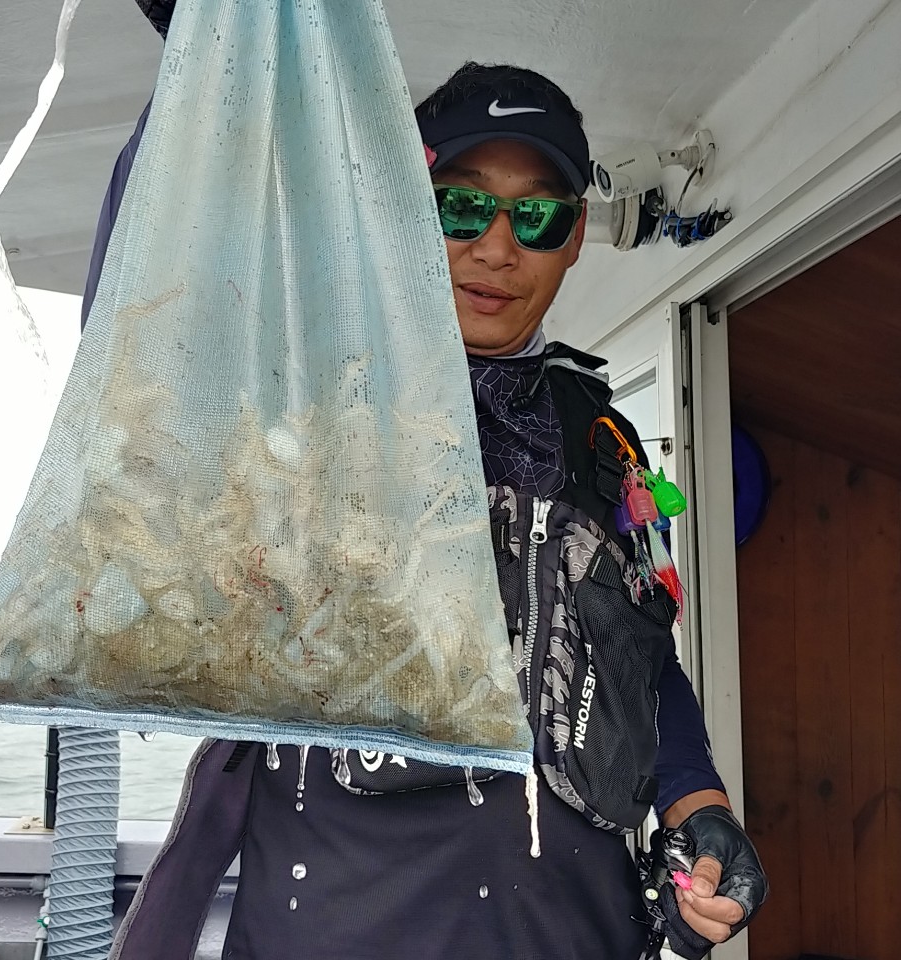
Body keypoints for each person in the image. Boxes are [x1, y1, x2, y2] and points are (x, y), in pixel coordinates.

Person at [85, 21, 766, 958]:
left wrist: (702, 808)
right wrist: (209, 46)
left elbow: (642, 661)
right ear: (407, 209)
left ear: (575, 239)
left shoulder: (603, 443)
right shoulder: (303, 393)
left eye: (538, 217)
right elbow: (145, 344)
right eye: (462, 207)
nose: (498, 247)